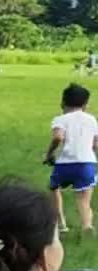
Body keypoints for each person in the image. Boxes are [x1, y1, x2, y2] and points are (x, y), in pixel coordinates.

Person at [44, 82, 98, 238]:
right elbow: (96, 144)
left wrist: (49, 154)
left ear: (63, 102)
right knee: (84, 198)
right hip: (87, 163)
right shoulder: (92, 120)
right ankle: (87, 225)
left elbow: (58, 136)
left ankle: (61, 224)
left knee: (54, 187)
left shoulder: (61, 119)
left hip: (65, 163)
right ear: (86, 104)